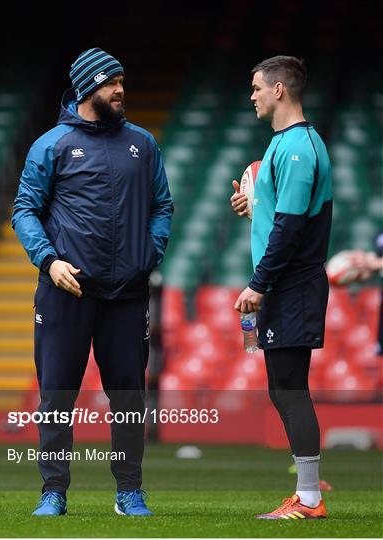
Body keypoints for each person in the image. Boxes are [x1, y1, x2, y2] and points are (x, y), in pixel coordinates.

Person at [12, 48, 173, 517]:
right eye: (110, 83)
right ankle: (53, 492)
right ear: (87, 89)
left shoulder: (142, 143)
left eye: (122, 81)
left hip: (127, 294)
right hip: (67, 291)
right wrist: (48, 261)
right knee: (57, 395)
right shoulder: (51, 144)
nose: (120, 90)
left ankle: (128, 491)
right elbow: (24, 210)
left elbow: (162, 205)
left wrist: (152, 251)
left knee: (127, 396)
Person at [231, 56, 332, 520]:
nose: (251, 95)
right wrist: (252, 209)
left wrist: (258, 285)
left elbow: (292, 228)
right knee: (283, 387)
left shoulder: (297, 148)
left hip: (291, 285)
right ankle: (307, 494)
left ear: (279, 90)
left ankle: (309, 499)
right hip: (284, 285)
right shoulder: (285, 146)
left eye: (256, 88)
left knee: (291, 388)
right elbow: (283, 219)